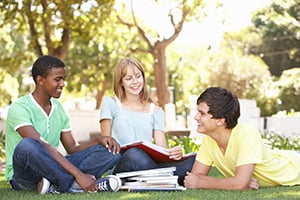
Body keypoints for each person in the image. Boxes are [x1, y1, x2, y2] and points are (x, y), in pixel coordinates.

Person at [5, 55, 122, 194]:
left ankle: (55, 186)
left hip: (52, 169)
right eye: (57, 79)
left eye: (63, 79)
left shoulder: (60, 109)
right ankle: (74, 185)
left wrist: (98, 141)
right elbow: (43, 145)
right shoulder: (19, 107)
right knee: (27, 145)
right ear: (40, 80)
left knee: (110, 153)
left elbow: (72, 148)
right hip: (25, 176)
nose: (63, 84)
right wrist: (79, 175)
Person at [99, 57, 195, 186]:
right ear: (120, 82)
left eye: (138, 76)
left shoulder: (156, 110)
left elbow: (162, 148)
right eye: (128, 78)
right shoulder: (110, 103)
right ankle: (166, 179)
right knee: (135, 154)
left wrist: (174, 153)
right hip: (122, 163)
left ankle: (158, 179)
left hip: (147, 164)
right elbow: (106, 142)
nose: (135, 82)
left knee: (194, 160)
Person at [184, 86, 300, 190]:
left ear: (220, 121)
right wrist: (237, 182)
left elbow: (238, 184)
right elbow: (194, 177)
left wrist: (238, 182)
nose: (196, 117)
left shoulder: (247, 134)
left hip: (295, 168)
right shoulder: (209, 139)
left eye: (202, 113)